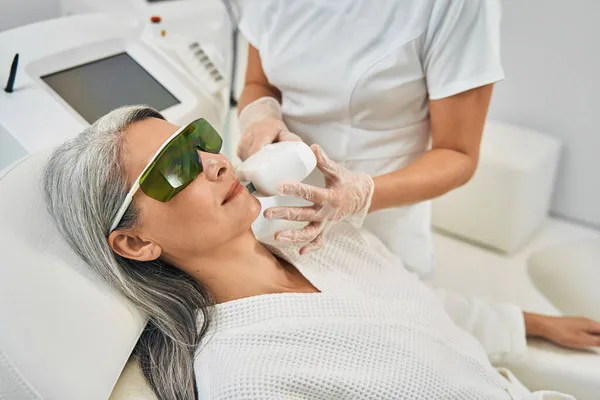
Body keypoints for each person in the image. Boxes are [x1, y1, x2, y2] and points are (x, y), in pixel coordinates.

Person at [43, 107, 600, 400]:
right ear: (137, 243)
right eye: (174, 168)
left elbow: (420, 307)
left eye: (199, 141)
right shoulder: (249, 377)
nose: (214, 161)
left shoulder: (316, 237)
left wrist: (535, 323)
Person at [232, 0, 505, 277]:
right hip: (276, 216)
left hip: (379, 226)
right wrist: (261, 116)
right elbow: (259, 84)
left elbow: (458, 154)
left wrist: (361, 196)